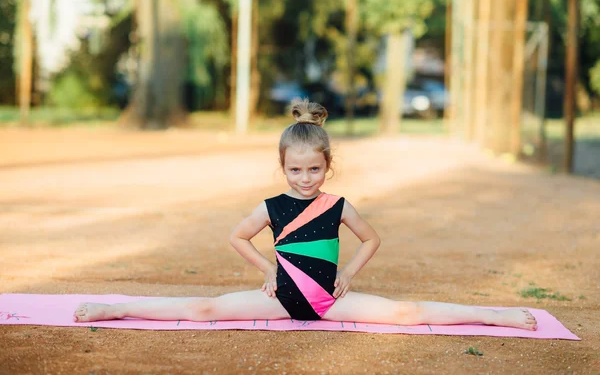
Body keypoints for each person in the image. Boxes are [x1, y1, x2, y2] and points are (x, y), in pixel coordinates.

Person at [73, 99, 537, 331]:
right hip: (280, 299)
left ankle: (498, 316)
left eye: (314, 169)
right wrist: (269, 266)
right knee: (204, 308)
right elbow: (238, 237)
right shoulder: (272, 206)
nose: (305, 178)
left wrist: (350, 272)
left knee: (408, 312)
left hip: (330, 301)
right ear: (283, 167)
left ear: (327, 166)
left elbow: (371, 239)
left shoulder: (337, 205)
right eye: (295, 169)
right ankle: (116, 308)